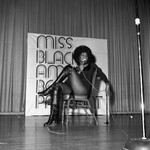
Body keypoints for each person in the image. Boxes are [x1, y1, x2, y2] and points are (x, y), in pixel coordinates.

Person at [38, 45, 110, 127]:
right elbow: (68, 84)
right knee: (57, 87)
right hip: (73, 90)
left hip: (84, 91)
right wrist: (78, 71)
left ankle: (48, 89)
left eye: (86, 55)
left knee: (68, 68)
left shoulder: (92, 66)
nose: (84, 57)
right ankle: (52, 118)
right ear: (78, 57)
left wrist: (107, 84)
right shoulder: (75, 70)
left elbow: (102, 75)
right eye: (82, 55)